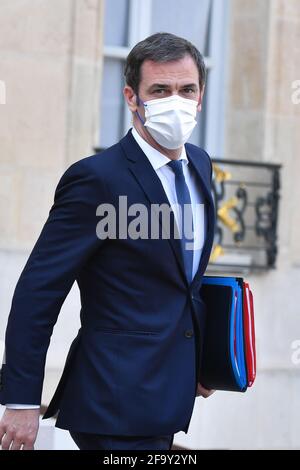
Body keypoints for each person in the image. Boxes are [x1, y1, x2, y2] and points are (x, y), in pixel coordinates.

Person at [0, 32, 216, 451]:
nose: (176, 100)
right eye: (160, 90)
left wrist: (203, 361)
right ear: (132, 97)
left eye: (186, 89)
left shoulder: (201, 167)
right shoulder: (97, 179)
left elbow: (183, 279)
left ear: (201, 96)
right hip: (112, 405)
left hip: (170, 397)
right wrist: (21, 399)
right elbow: (38, 291)